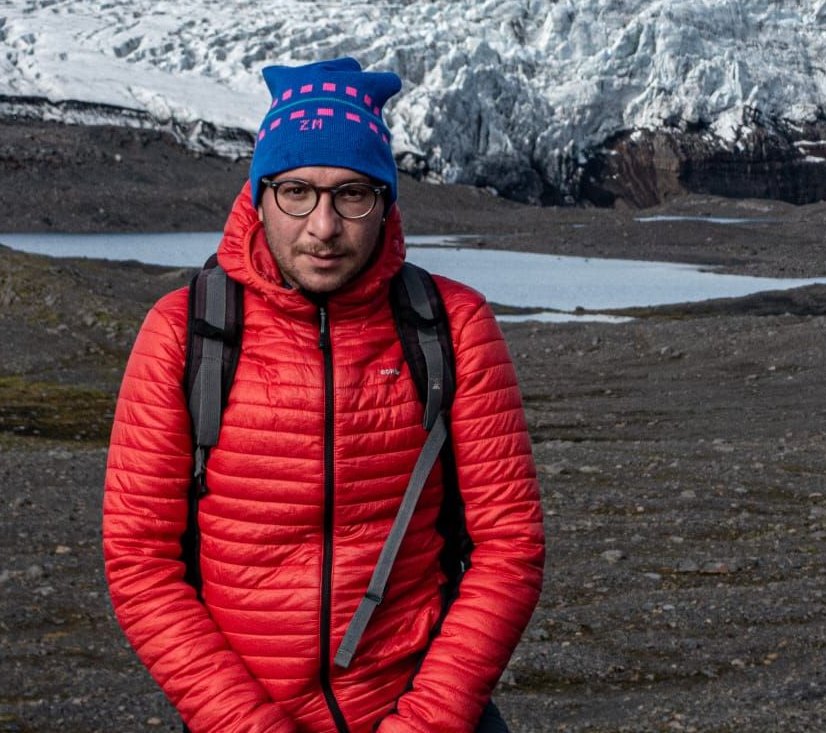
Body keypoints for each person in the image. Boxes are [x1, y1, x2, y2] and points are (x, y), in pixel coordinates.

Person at [103, 57, 545, 732]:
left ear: (385, 201)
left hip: (421, 711)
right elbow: (140, 561)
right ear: (259, 194)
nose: (323, 226)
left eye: (352, 195)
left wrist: (422, 725)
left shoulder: (452, 326)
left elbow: (509, 545)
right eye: (297, 192)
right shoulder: (185, 332)